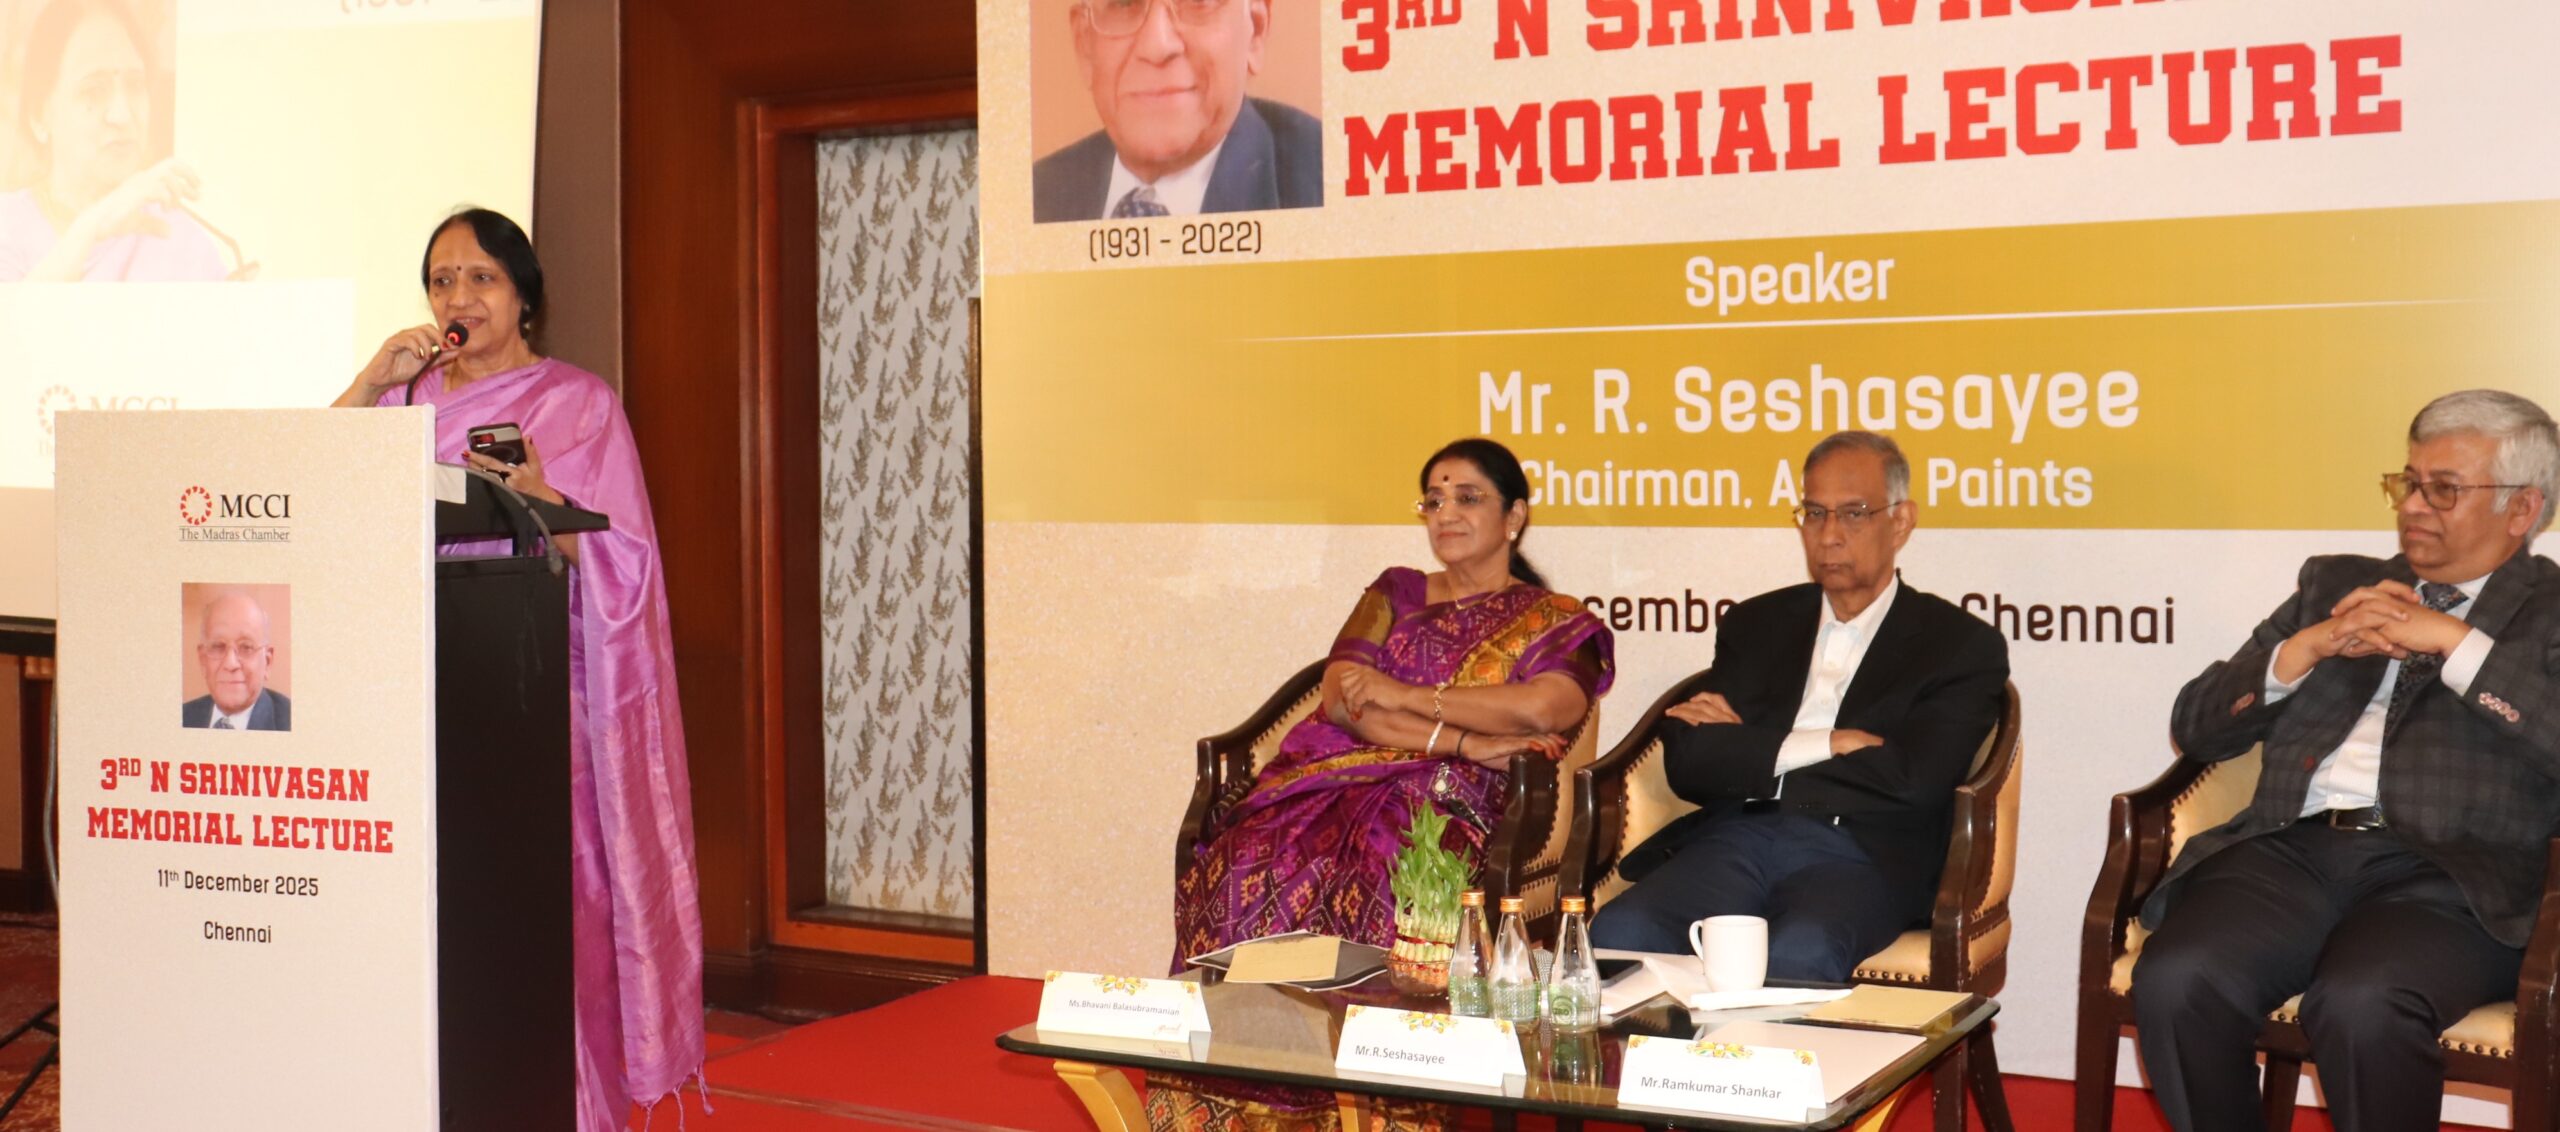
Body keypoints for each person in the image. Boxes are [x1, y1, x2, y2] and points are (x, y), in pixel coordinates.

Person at [335, 208, 702, 1130]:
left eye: (481, 279)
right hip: (412, 694)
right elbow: (314, 484)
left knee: (542, 916)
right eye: (442, 281)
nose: (458, 299)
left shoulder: (579, 404)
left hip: (538, 704)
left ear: (523, 296)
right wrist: (369, 380)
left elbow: (628, 562)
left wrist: (545, 503)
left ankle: (560, 1105)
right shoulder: (403, 402)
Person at [2132, 389, 2560, 1132]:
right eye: (2409, 482)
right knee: (2177, 979)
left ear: (2522, 509)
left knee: (2363, 1004)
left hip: (2452, 879)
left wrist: (2455, 644)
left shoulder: (2551, 611)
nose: (2414, 506)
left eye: (2444, 489)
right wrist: (2304, 650)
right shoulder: (2333, 585)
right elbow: (2196, 727)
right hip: (2290, 854)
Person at [1157, 437, 1612, 1130]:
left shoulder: (1556, 619)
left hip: (1458, 797)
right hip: (1344, 771)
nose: (1445, 513)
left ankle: (1382, 1102)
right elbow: (1342, 700)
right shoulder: (1396, 591)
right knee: (1243, 857)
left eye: (1467, 498)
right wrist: (1462, 738)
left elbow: (1544, 707)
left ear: (1515, 515)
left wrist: (1406, 696)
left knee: (1384, 868)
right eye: (1433, 500)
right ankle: (1241, 1098)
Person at [1587, 431, 2009, 982]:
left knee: (1800, 952)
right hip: (1737, 839)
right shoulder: (1757, 624)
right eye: (1814, 513)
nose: (1829, 535)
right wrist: (1832, 744)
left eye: (1853, 514)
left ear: (1901, 522)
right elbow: (1692, 762)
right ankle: (1674, 1047)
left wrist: (1755, 751)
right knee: (1621, 932)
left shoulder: (1958, 644)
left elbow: (1916, 780)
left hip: (1861, 853)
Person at [0, 0, 232, 282]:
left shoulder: (181, 241)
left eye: (135, 85)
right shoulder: (7, 226)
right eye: (93, 91)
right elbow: (14, 312)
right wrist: (90, 230)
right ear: (38, 116)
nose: (121, 115)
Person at [1031, 0, 1321, 222]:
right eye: (1124, 3)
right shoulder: (1032, 197)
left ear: (1255, 29)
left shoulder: (1328, 184)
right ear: (1084, 44)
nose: (1157, 46)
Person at [180, 590, 289, 731]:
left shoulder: (292, 723)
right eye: (218, 646)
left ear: (267, 662)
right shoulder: (181, 718)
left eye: (246, 647)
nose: (230, 664)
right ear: (203, 660)